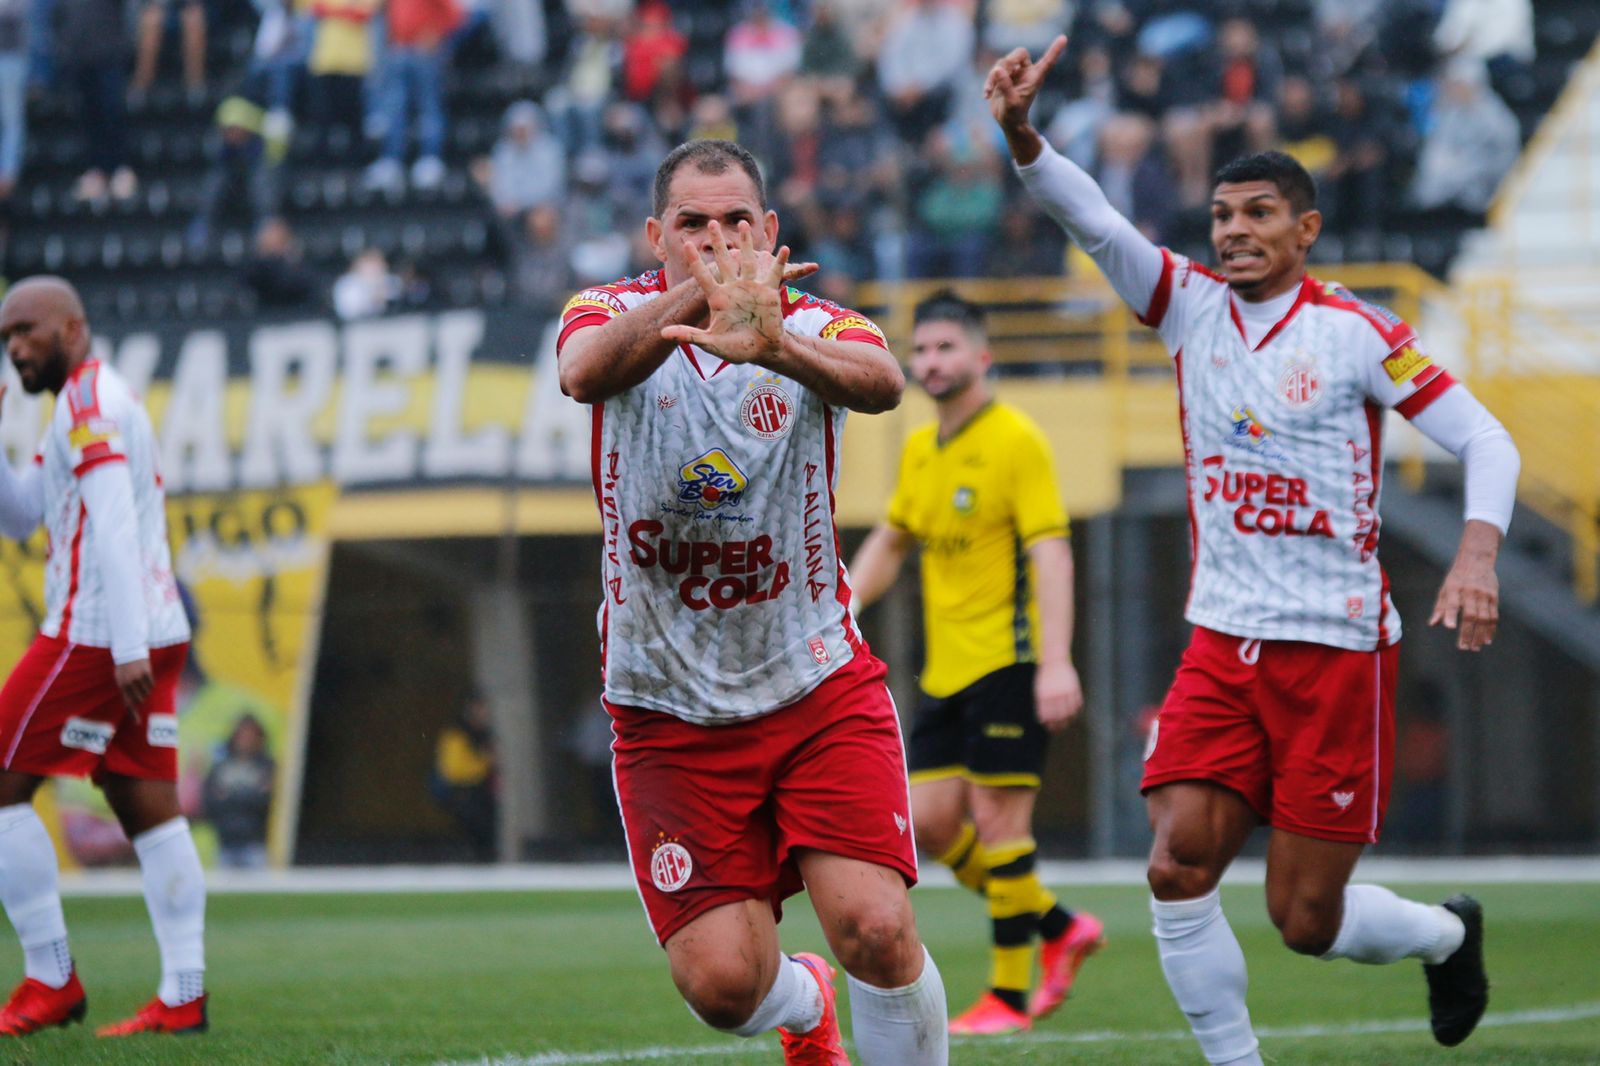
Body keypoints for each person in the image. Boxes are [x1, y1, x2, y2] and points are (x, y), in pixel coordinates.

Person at [990, 37, 1520, 1064]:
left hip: (1333, 652)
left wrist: (1477, 555)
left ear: (1304, 229)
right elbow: (1091, 216)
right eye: (1222, 216)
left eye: (1258, 214)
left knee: (1304, 919)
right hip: (1221, 641)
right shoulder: (1186, 307)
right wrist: (1021, 135)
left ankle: (1448, 934)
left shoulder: (1360, 332)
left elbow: (1482, 436)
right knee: (1175, 867)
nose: (1233, 232)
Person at [557, 138, 948, 1066]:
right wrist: (699, 297)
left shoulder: (817, 325)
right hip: (667, 706)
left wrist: (775, 345)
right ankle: (802, 1002)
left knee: (878, 929)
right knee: (725, 989)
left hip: (815, 684)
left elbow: (885, 383)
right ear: (658, 236)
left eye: (737, 221)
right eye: (693, 224)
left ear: (771, 231)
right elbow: (583, 373)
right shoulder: (606, 311)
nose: (718, 237)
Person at [849, 290, 1105, 1036]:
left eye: (945, 348)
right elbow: (893, 539)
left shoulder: (1017, 439)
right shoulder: (921, 449)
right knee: (929, 825)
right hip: (945, 672)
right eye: (920, 350)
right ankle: (1059, 926)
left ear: (980, 356)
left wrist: (1056, 663)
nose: (930, 362)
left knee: (999, 823)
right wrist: (842, 606)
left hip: (1011, 662)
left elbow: (1051, 552)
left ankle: (1009, 998)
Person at [0, 276, 208, 1035]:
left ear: (73, 328)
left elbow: (114, 526)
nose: (16, 346)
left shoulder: (88, 407)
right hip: (150, 626)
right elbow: (21, 517)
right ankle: (184, 994)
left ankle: (50, 980)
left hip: (97, 632)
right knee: (149, 810)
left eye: (28, 330)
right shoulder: (84, 403)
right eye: (6, 338)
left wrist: (122, 648)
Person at [428, 691, 497, 861]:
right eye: (481, 709)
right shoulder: (456, 734)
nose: (484, 714)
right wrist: (484, 762)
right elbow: (453, 771)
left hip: (482, 796)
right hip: (464, 796)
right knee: (476, 837)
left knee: (487, 838)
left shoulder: (484, 734)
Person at [202, 715, 275, 869]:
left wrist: (230, 797)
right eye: (242, 735)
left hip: (256, 843)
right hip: (225, 843)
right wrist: (249, 796)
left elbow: (268, 802)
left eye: (250, 735)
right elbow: (209, 801)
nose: (246, 739)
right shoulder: (221, 766)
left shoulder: (268, 766)